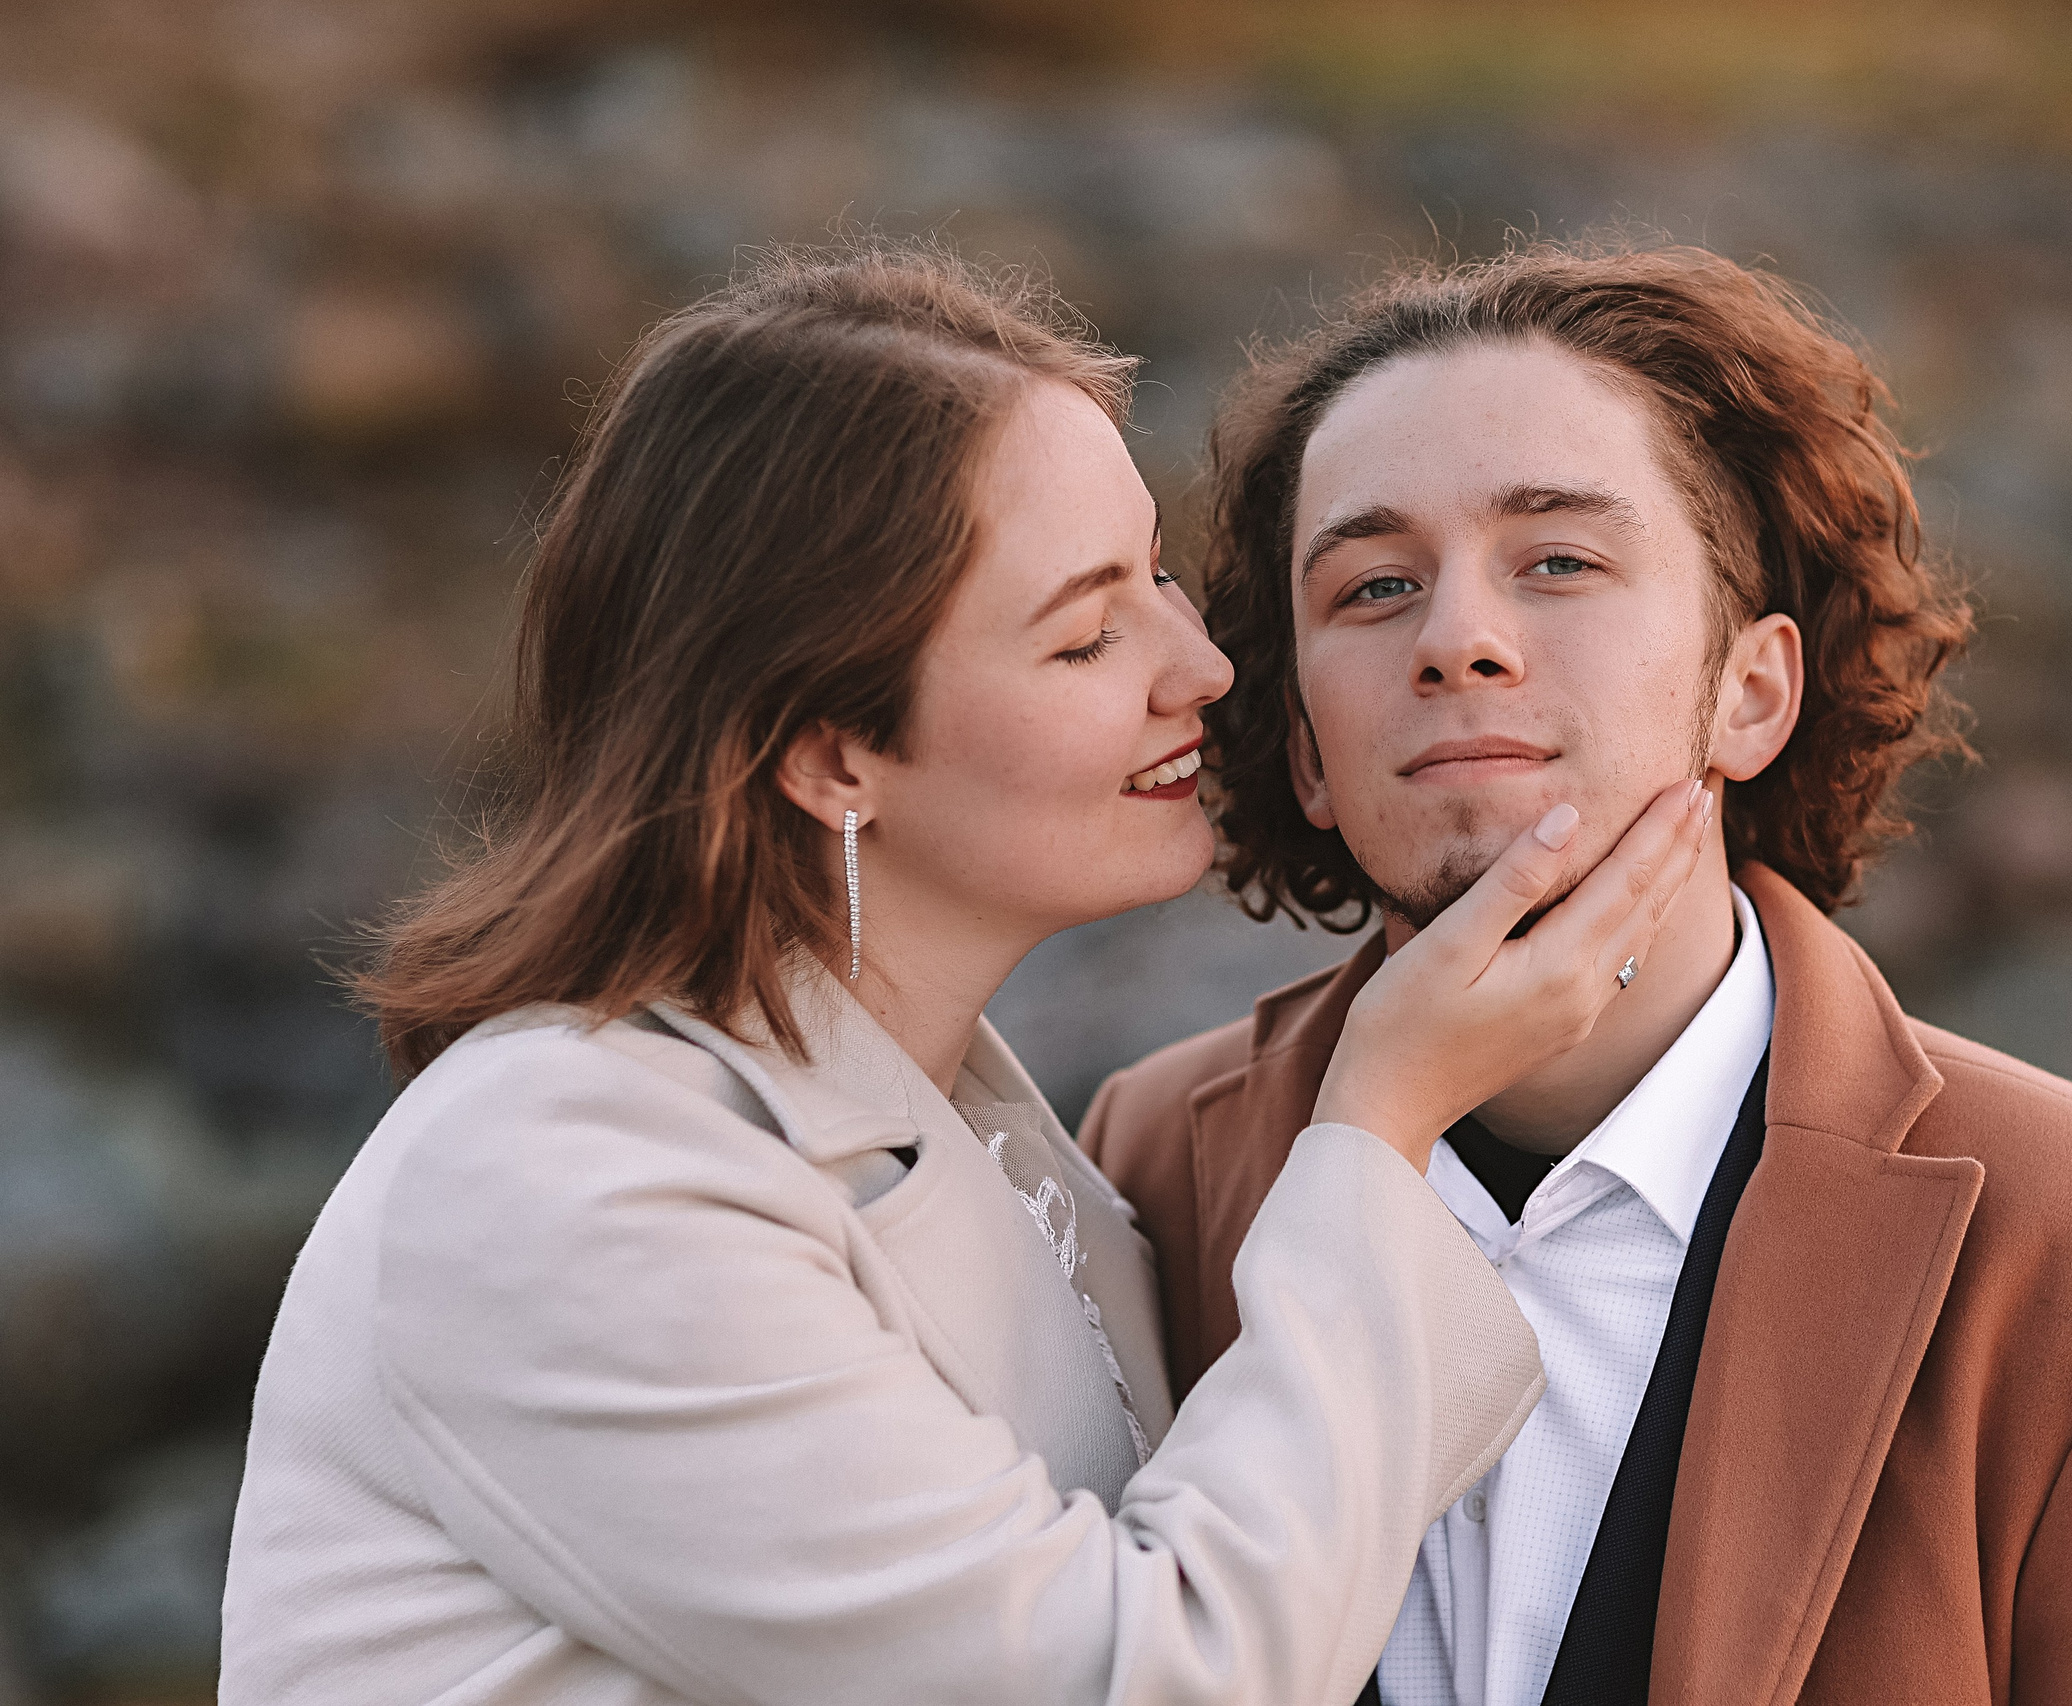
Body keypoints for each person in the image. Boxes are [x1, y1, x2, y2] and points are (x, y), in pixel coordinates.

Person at [217, 246, 1720, 1706]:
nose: (1200, 667)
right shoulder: (569, 1178)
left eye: (1159, 575)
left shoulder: (1013, 1151)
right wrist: (1383, 1115)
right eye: (1085, 635)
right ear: (833, 753)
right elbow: (1157, 1676)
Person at [1080, 241, 2072, 1706]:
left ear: (1751, 690)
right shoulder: (1147, 1170)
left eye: (1558, 560)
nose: (1458, 640)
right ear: (1305, 748)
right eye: (1372, 588)